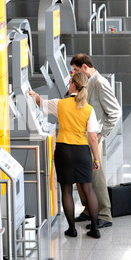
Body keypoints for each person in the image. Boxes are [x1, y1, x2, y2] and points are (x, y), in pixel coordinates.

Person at [29, 72, 101, 238]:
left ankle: (72, 229)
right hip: (82, 151)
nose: (68, 86)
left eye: (70, 83)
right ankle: (95, 230)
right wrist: (96, 158)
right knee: (88, 189)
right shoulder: (89, 109)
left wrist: (33, 95)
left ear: (74, 85)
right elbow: (93, 138)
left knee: (66, 190)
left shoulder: (60, 104)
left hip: (64, 150)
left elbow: (40, 103)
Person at [70, 53, 122, 229]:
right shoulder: (87, 83)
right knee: (81, 175)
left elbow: (115, 112)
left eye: (76, 70)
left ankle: (104, 214)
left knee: (95, 177)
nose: (74, 74)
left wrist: (102, 135)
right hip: (81, 137)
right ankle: (88, 210)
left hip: (93, 138)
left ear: (85, 67)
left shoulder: (99, 83)